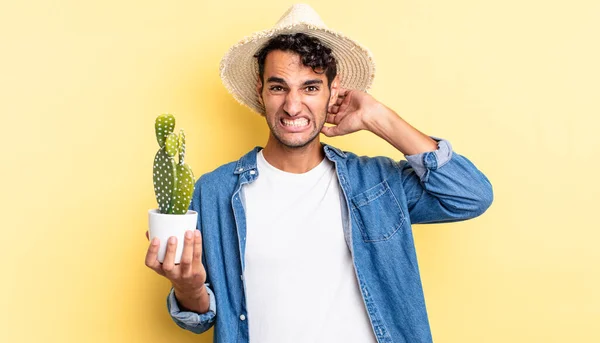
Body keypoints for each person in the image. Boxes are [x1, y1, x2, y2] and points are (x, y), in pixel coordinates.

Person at [145, 4, 493, 343]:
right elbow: (200, 318)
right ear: (260, 91)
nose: (293, 106)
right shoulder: (216, 191)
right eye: (279, 87)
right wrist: (187, 288)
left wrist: (378, 117)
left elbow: (470, 195)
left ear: (333, 91)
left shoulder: (376, 183)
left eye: (310, 87)